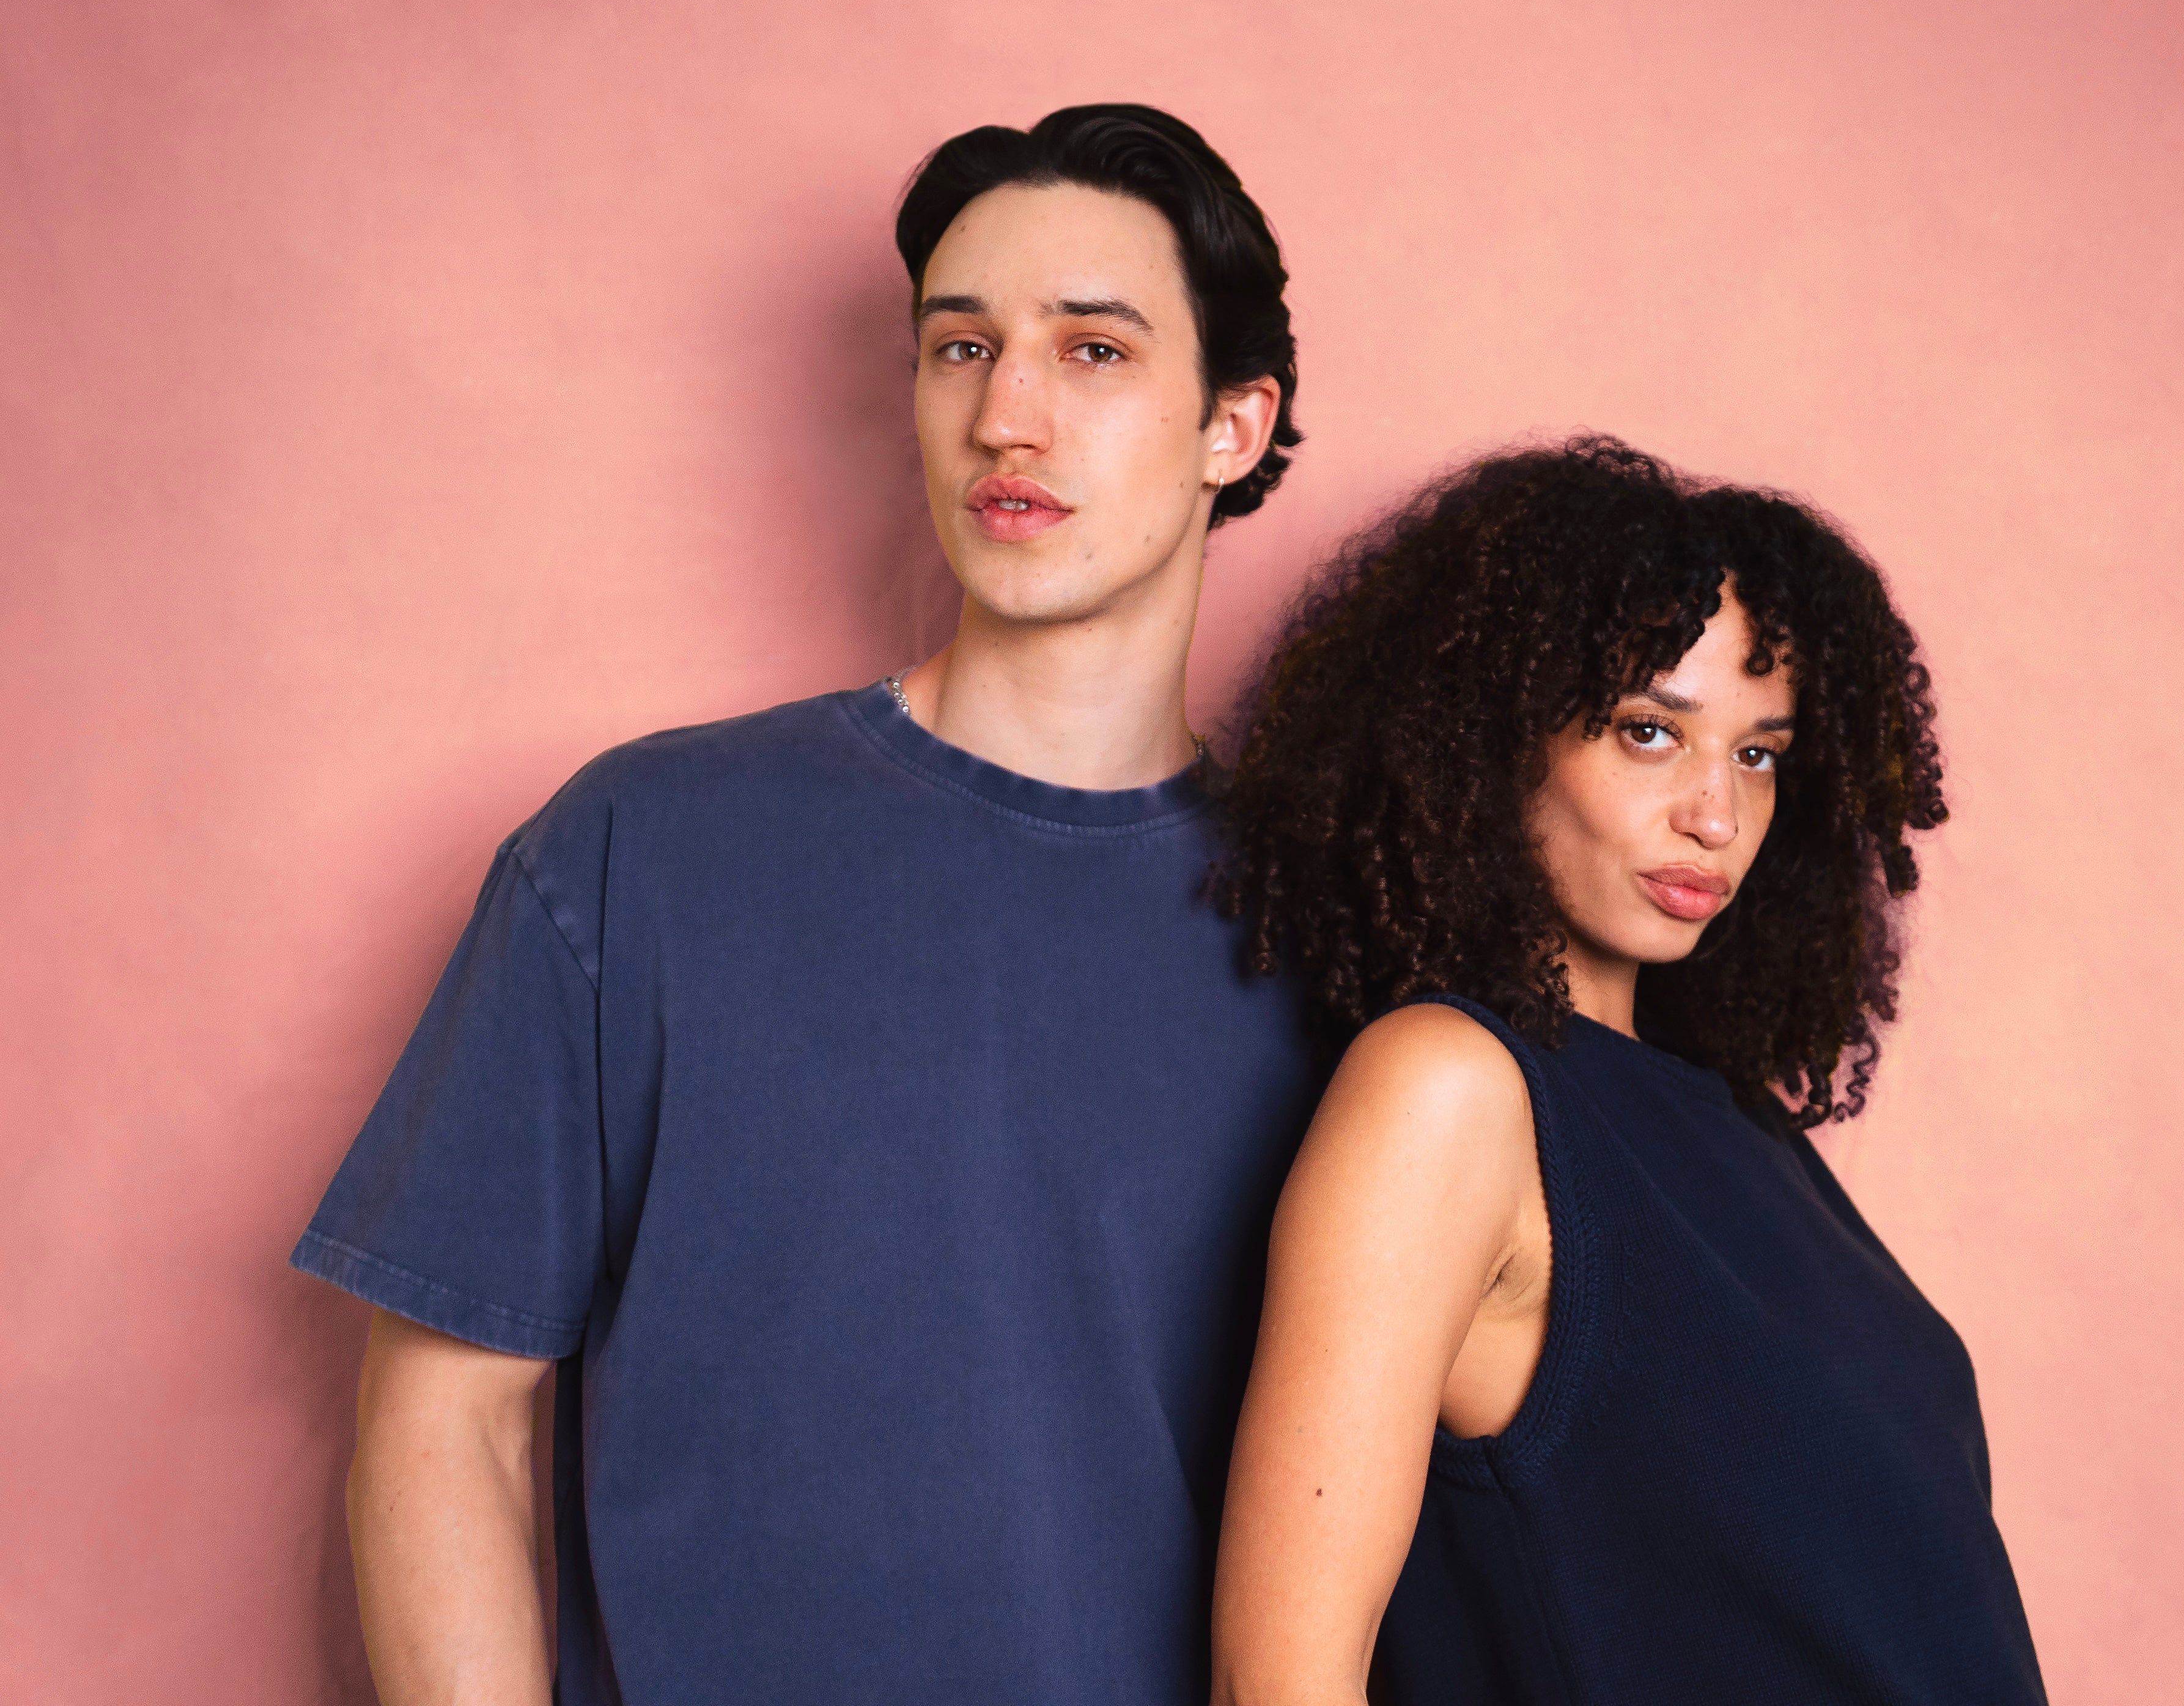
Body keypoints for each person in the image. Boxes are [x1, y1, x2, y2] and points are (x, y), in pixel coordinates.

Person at [292, 104, 1316, 1706]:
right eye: (959, 349)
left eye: (1092, 352)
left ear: (1231, 427)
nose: (1005, 418)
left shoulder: (1338, 926)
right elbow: (447, 1425)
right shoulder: (644, 850)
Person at [1208, 438, 2046, 1704]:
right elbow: (1277, 1682)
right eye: (1649, 733)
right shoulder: (1447, 1091)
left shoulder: (1739, 1125)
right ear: (1490, 740)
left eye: (1757, 754)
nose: (1716, 815)